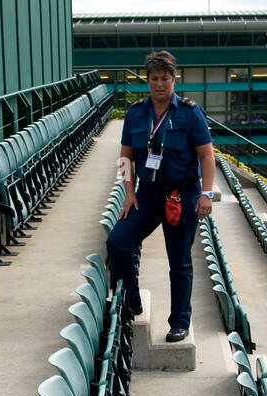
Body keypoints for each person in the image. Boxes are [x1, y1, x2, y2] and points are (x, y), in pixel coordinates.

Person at [107, 50, 217, 343]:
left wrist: (207, 194)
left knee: (180, 262)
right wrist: (129, 192)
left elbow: (206, 155)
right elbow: (126, 157)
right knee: (118, 242)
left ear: (174, 79)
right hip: (149, 193)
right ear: (148, 80)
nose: (159, 84)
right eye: (154, 78)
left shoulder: (190, 113)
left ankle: (179, 322)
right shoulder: (135, 113)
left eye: (165, 78)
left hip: (183, 194)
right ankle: (132, 302)